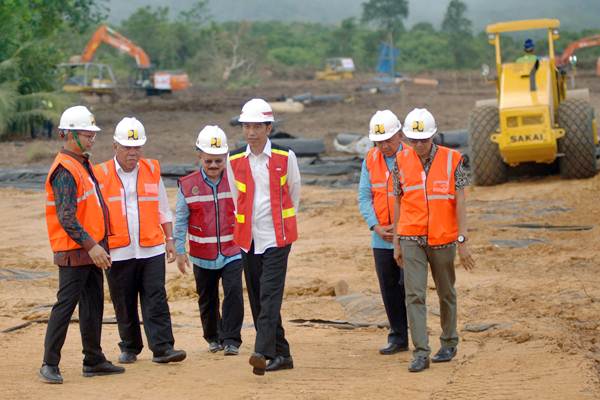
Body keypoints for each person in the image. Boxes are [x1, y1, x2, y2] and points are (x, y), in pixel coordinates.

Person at [41, 105, 124, 384]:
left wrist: (98, 245)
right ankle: (49, 363)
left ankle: (94, 359)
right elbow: (66, 216)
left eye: (92, 134)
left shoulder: (82, 164)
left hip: (90, 248)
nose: (92, 139)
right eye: (87, 134)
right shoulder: (65, 169)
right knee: (65, 305)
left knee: (93, 304)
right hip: (75, 249)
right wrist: (92, 246)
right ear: (70, 135)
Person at [94, 117, 186, 365]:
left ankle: (163, 348)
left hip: (151, 247)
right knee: (123, 301)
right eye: (127, 147)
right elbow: (93, 213)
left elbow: (163, 208)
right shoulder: (100, 174)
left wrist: (170, 239)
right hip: (118, 250)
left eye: (137, 147)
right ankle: (130, 346)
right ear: (115, 146)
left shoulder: (151, 169)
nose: (133, 153)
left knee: (155, 296)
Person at [392, 108, 475, 373]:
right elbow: (397, 200)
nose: (418, 145)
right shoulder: (400, 161)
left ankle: (449, 342)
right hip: (411, 236)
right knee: (414, 294)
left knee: (446, 292)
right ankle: (421, 352)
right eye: (413, 140)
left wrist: (462, 239)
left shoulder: (453, 160)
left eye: (423, 140)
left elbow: (460, 201)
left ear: (433, 136)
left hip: (443, 238)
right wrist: (396, 241)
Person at [227, 98, 301, 375]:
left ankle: (262, 351)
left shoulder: (285, 156)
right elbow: (236, 199)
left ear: (268, 128)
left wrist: (282, 225)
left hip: (278, 237)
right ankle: (283, 354)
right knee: (258, 296)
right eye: (247, 126)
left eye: (257, 126)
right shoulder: (233, 159)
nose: (251, 132)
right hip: (249, 237)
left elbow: (294, 192)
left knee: (270, 294)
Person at [174, 125, 244, 356]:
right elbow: (181, 219)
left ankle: (232, 339)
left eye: (218, 161)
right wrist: (179, 249)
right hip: (202, 254)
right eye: (209, 161)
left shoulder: (237, 180)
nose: (214, 166)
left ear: (225, 157)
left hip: (232, 250)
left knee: (233, 292)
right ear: (200, 156)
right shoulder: (187, 185)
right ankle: (213, 336)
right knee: (207, 297)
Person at [358, 110, 409, 355]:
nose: (384, 145)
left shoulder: (412, 157)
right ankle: (398, 337)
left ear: (400, 134)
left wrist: (401, 229)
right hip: (381, 238)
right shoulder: (370, 159)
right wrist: (375, 226)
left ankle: (417, 335)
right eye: (379, 141)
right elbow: (364, 197)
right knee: (389, 289)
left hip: (409, 235)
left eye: (389, 140)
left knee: (410, 288)